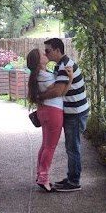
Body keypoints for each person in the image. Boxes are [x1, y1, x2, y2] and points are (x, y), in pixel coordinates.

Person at [38, 38, 90, 192]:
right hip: (74, 111)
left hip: (76, 113)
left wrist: (39, 97)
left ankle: (74, 182)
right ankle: (72, 177)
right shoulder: (60, 65)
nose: (46, 54)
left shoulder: (65, 66)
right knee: (71, 147)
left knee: (72, 148)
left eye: (48, 50)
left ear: (57, 50)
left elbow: (58, 91)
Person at [26, 48, 73, 192]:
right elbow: (60, 92)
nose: (45, 54)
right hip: (53, 112)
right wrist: (70, 79)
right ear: (39, 62)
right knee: (50, 147)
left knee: (45, 146)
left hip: (44, 111)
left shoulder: (38, 76)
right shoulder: (45, 76)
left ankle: (40, 175)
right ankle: (43, 178)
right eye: (42, 54)